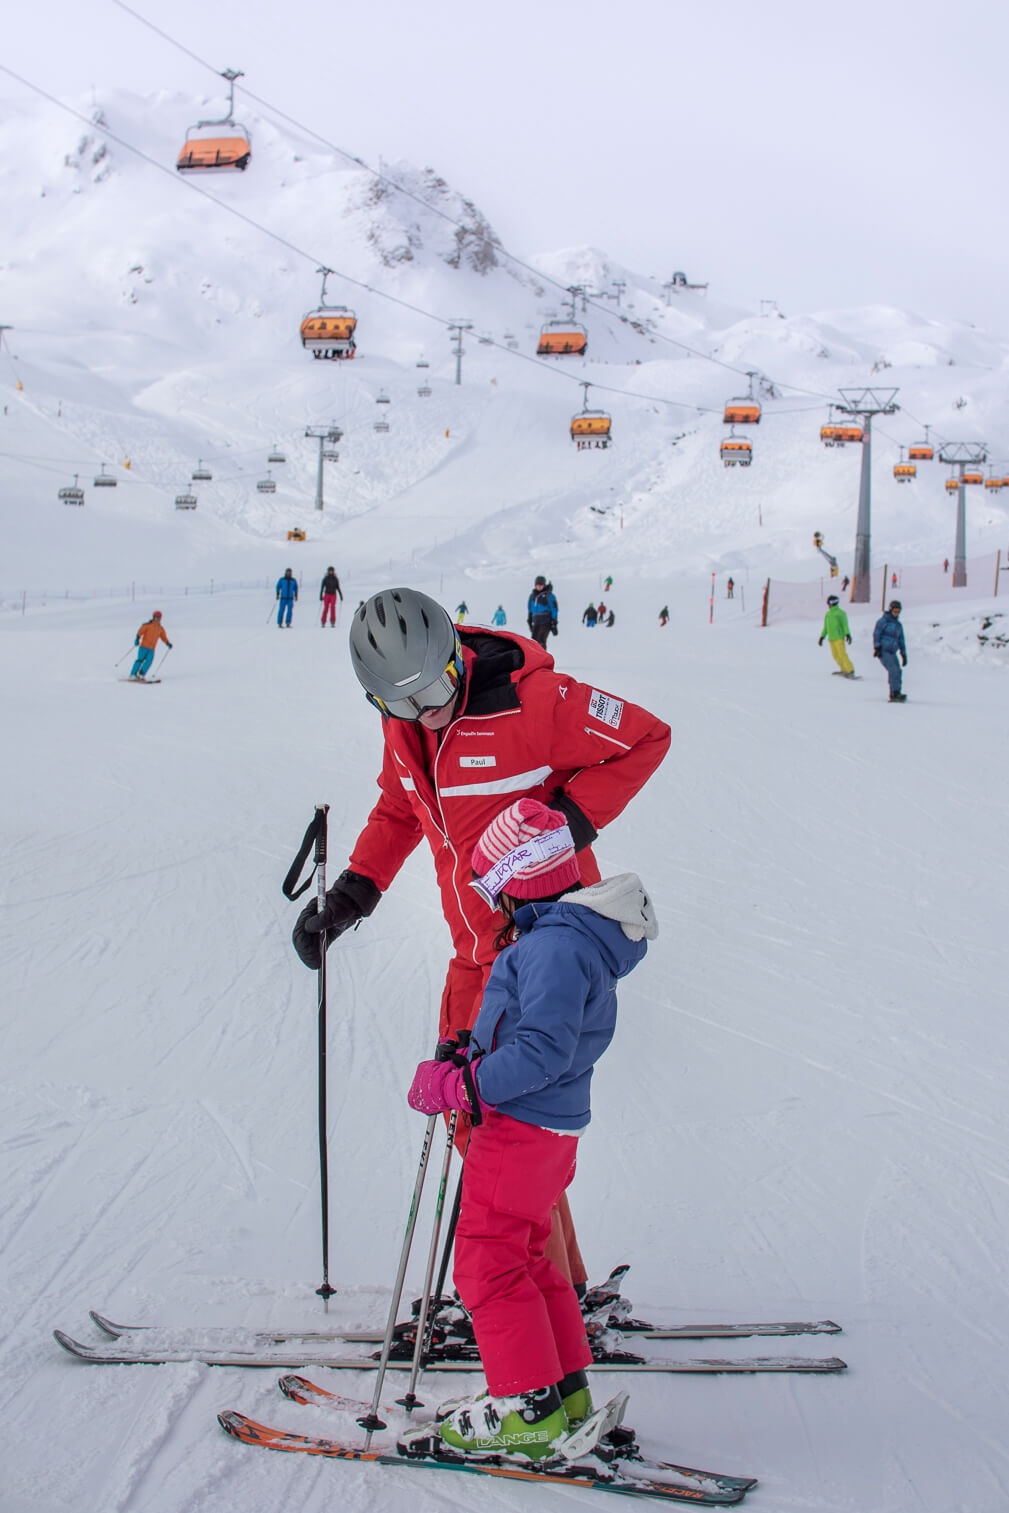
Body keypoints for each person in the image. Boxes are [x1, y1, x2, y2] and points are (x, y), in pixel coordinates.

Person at [292, 588, 670, 1285]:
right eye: (401, 702)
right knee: (495, 1128)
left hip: (538, 945)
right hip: (473, 952)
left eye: (435, 686)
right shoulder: (405, 726)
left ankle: (527, 1292)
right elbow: (399, 807)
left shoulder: (538, 702)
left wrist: (567, 821)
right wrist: (353, 893)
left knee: (497, 1126)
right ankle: (558, 1285)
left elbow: (646, 736)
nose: (426, 709)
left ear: (454, 653)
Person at [399, 798, 656, 1462]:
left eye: (492, 882)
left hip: (521, 1126)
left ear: (518, 881)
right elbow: (532, 1032)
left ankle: (524, 1408)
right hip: (545, 1129)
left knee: (487, 1260)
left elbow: (540, 1049)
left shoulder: (551, 947)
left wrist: (463, 1084)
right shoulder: (563, 938)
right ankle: (562, 1393)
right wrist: (469, 1050)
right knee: (529, 1258)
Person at [873, 600, 908, 702]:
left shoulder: (898, 625)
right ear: (890, 610)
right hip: (884, 651)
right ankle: (893, 693)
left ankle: (897, 691)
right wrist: (877, 647)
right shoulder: (883, 621)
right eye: (895, 610)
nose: (896, 613)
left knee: (898, 671)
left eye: (898, 611)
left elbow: (901, 640)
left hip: (893, 652)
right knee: (893, 670)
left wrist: (903, 654)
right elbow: (876, 634)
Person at [818, 594, 855, 678]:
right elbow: (826, 627)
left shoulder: (840, 613)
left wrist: (847, 634)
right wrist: (822, 637)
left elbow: (845, 625)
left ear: (832, 602)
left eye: (828, 602)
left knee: (842, 654)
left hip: (839, 637)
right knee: (835, 655)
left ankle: (850, 670)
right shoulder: (828, 614)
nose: (828, 604)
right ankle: (844, 669)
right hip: (831, 638)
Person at [130, 611, 171, 679]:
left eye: (159, 617)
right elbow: (140, 632)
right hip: (143, 647)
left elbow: (163, 637)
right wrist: (137, 639)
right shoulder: (147, 625)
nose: (158, 619)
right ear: (154, 617)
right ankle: (132, 674)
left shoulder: (160, 629)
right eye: (157, 617)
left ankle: (141, 674)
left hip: (152, 649)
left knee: (149, 661)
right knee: (140, 660)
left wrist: (168, 643)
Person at [527, 576, 558, 648]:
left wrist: (554, 623)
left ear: (544, 585)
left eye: (541, 585)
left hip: (546, 622)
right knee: (533, 641)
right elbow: (530, 608)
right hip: (536, 622)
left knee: (541, 641)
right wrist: (529, 619)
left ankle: (542, 658)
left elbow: (554, 609)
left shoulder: (549, 595)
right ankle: (533, 658)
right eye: (537, 584)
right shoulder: (532, 596)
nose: (539, 586)